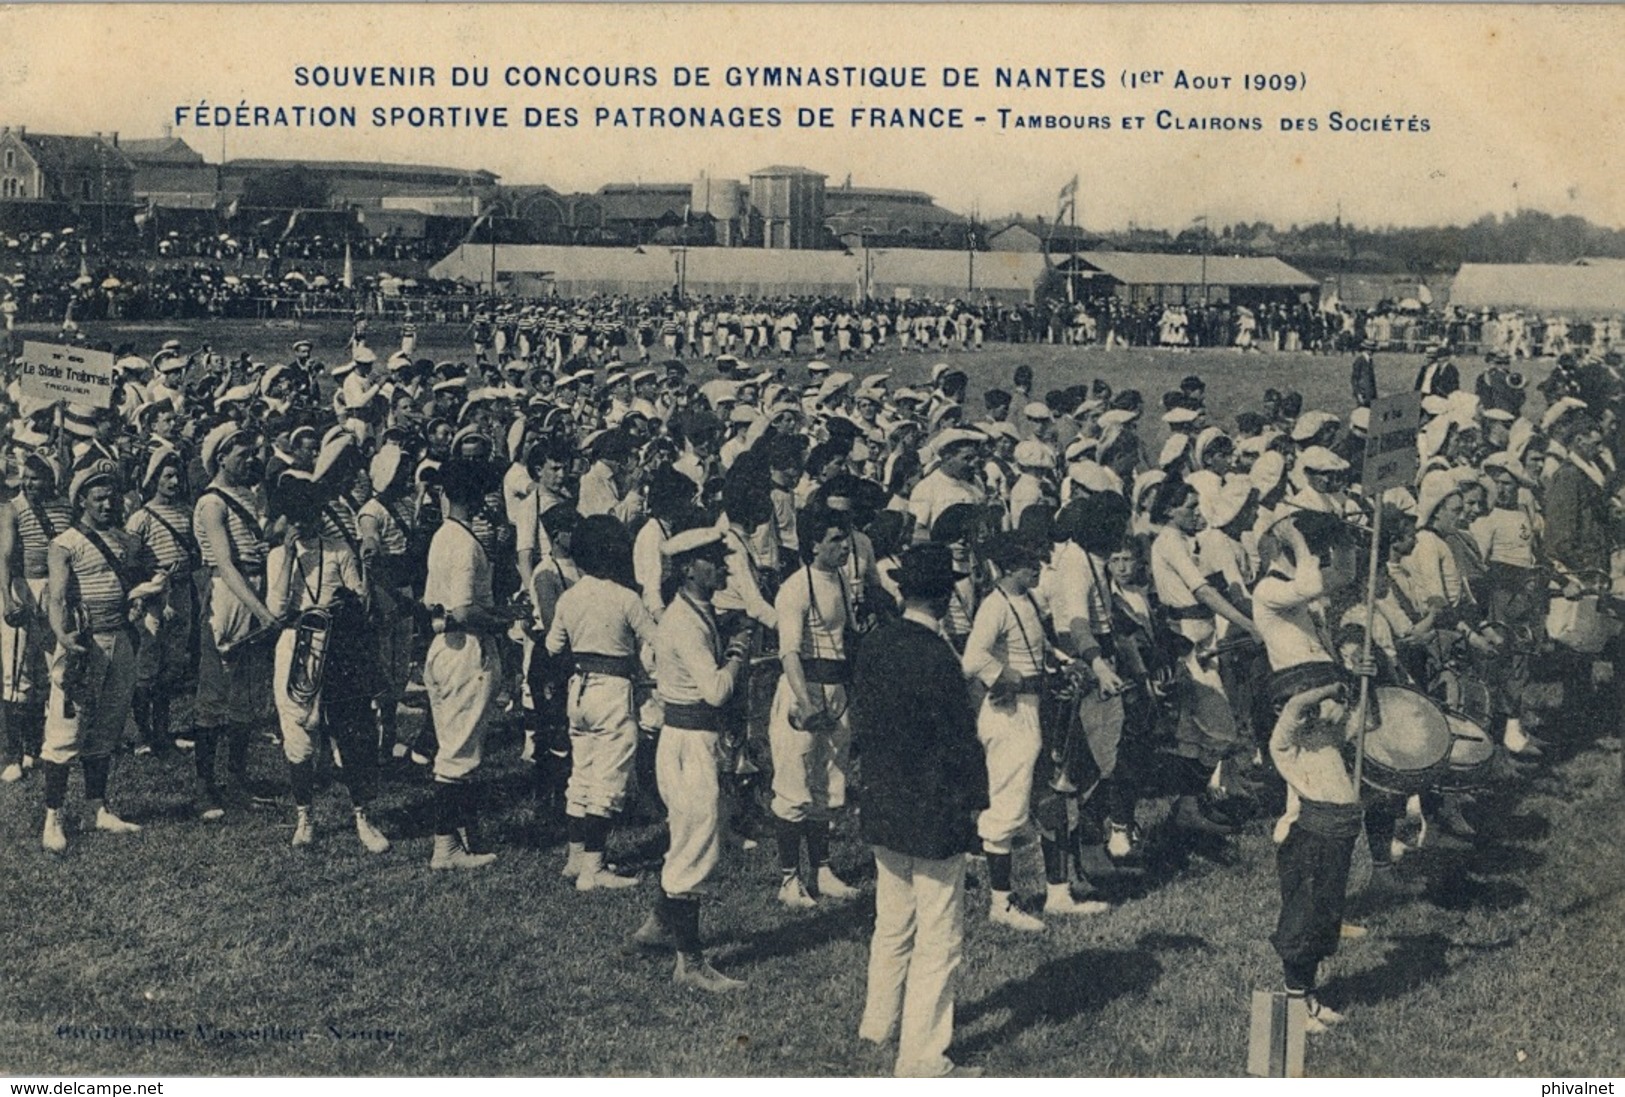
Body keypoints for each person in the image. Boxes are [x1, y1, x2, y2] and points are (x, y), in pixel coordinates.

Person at [853, 543, 989, 1078]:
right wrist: (976, 803)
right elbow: (960, 742)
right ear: (946, 595)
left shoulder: (877, 644)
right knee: (939, 935)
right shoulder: (938, 658)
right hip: (933, 809)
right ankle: (923, 1058)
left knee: (893, 921)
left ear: (903, 590)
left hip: (884, 800)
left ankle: (877, 1025)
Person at [630, 527, 750, 992]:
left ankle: (658, 926)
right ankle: (690, 963)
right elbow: (717, 690)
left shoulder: (697, 612)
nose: (723, 566)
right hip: (687, 740)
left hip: (690, 738)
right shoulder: (683, 621)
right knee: (697, 845)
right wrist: (738, 651)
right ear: (686, 569)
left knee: (695, 834)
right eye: (713, 560)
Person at [40, 463, 164, 852]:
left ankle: (97, 807)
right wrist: (63, 634)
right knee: (65, 732)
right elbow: (57, 596)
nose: (108, 504)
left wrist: (146, 595)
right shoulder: (65, 542)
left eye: (113, 496)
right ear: (82, 501)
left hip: (121, 640)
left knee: (107, 727)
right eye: (99, 498)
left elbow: (152, 573)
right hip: (83, 644)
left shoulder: (127, 540)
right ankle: (53, 817)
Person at [265, 473, 390, 854]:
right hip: (296, 648)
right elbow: (276, 608)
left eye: (309, 514)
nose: (303, 523)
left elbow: (363, 603)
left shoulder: (339, 550)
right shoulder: (277, 556)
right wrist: (287, 556)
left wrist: (357, 588)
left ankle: (362, 817)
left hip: (339, 649)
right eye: (296, 516)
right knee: (299, 739)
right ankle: (306, 817)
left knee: (350, 732)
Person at [544, 514, 656, 891]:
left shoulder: (570, 596)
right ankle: (594, 866)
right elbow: (654, 642)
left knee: (583, 774)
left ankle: (576, 857)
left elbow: (553, 646)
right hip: (612, 690)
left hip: (579, 689)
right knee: (609, 779)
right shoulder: (626, 598)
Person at [767, 501, 862, 907]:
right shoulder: (794, 588)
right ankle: (790, 880)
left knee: (829, 782)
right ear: (813, 544)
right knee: (795, 785)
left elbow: (848, 638)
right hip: (802, 693)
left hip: (837, 693)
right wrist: (805, 704)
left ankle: (822, 870)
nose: (844, 547)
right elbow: (788, 652)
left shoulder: (840, 579)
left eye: (845, 538)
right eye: (835, 540)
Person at [421, 458, 511, 870]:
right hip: (465, 649)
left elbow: (435, 605)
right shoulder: (465, 544)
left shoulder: (444, 535)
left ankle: (461, 835)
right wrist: (506, 618)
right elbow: (463, 610)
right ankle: (446, 847)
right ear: (475, 495)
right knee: (459, 753)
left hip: (442, 649)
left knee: (457, 744)